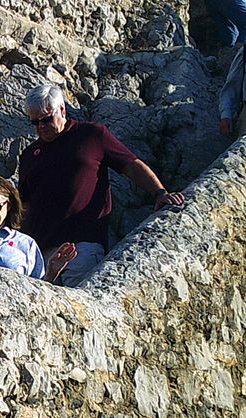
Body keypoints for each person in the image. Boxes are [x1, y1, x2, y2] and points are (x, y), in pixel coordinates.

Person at [17, 84, 185, 287]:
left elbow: (130, 165)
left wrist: (159, 192)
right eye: (34, 122)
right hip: (41, 251)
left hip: (81, 245)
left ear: (62, 109)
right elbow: (24, 205)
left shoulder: (91, 135)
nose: (41, 126)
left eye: (46, 119)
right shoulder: (29, 155)